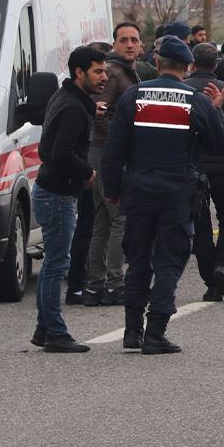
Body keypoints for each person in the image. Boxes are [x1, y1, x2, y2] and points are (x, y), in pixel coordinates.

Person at [101, 36, 224, 355]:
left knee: (139, 258)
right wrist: (216, 112)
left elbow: (114, 151)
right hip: (177, 191)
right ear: (187, 67)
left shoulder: (134, 96)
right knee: (170, 260)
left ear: (157, 63)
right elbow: (218, 146)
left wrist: (113, 190)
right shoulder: (195, 100)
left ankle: (132, 330)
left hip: (138, 189)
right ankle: (155, 331)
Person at [31, 46, 108, 353]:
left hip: (52, 190)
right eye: (97, 71)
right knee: (56, 265)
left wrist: (93, 110)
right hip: (58, 194)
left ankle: (44, 327)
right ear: (79, 73)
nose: (103, 77)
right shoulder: (74, 108)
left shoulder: (68, 99)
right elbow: (61, 152)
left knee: (53, 262)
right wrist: (87, 171)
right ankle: (56, 333)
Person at [80, 22, 157, 307]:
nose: (129, 45)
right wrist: (121, 141)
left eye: (134, 40)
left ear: (140, 45)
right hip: (106, 154)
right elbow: (98, 112)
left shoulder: (127, 72)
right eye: (123, 40)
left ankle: (94, 285)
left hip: (103, 153)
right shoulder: (112, 72)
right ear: (114, 44)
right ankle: (114, 284)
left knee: (102, 220)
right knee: (119, 219)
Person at [183, 43, 224, 302]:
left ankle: (210, 280)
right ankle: (222, 263)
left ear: (192, 63)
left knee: (200, 225)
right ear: (216, 64)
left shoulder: (184, 91)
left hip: (193, 167)